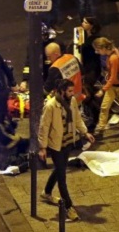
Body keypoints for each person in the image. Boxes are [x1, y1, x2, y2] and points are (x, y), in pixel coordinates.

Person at [38, 79, 95, 222]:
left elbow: (76, 118)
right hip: (56, 144)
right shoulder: (51, 106)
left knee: (59, 169)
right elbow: (44, 127)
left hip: (68, 141)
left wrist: (85, 132)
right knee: (62, 177)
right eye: (69, 91)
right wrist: (42, 147)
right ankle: (68, 207)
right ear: (62, 91)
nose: (72, 93)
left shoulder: (72, 102)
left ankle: (46, 192)